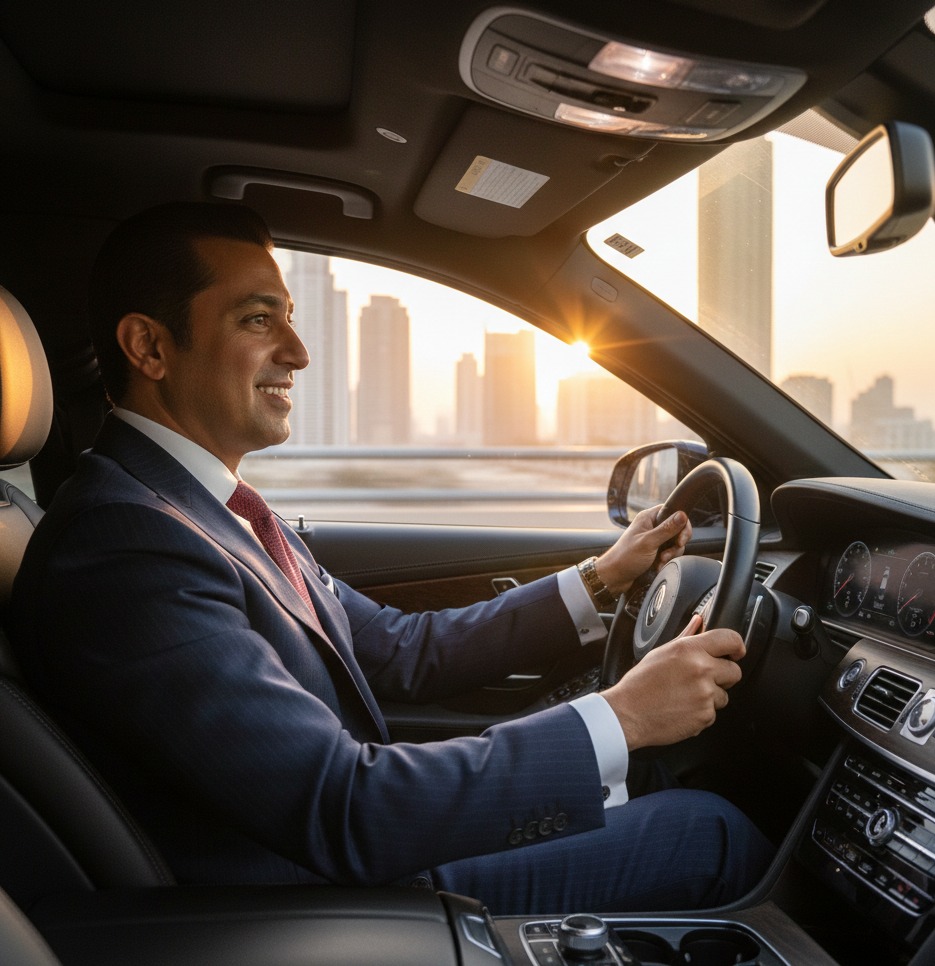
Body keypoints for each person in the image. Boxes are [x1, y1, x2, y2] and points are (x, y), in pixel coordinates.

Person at [8, 202, 772, 916]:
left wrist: (602, 577)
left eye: (291, 319)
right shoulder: (126, 547)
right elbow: (341, 807)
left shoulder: (202, 507)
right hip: (306, 902)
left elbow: (400, 652)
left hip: (342, 858)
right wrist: (624, 716)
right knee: (707, 832)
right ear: (149, 346)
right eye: (256, 319)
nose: (298, 352)